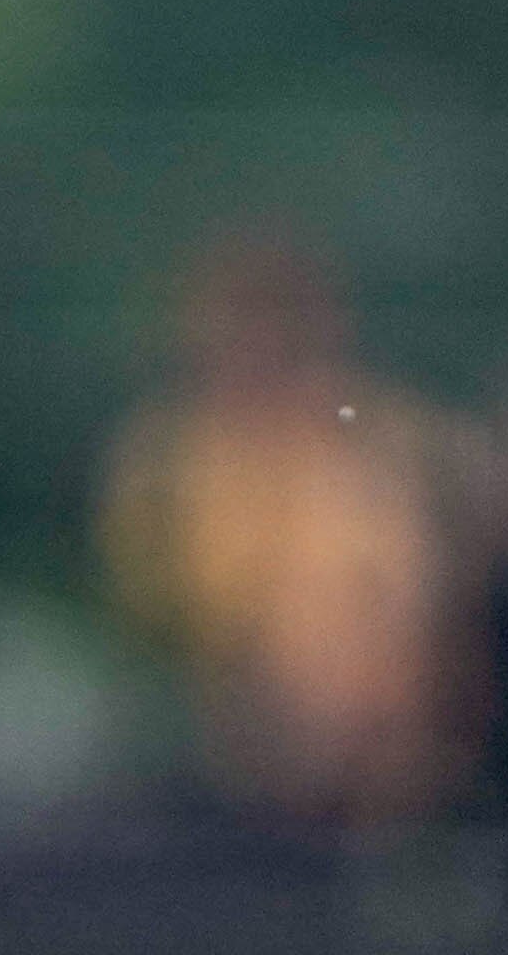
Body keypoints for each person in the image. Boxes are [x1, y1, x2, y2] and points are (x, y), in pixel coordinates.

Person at [97, 231, 474, 829]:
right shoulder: (166, 460)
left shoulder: (382, 438)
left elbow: (432, 599)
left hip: (390, 766)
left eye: (277, 323)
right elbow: (156, 619)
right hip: (231, 765)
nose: (258, 345)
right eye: (239, 323)